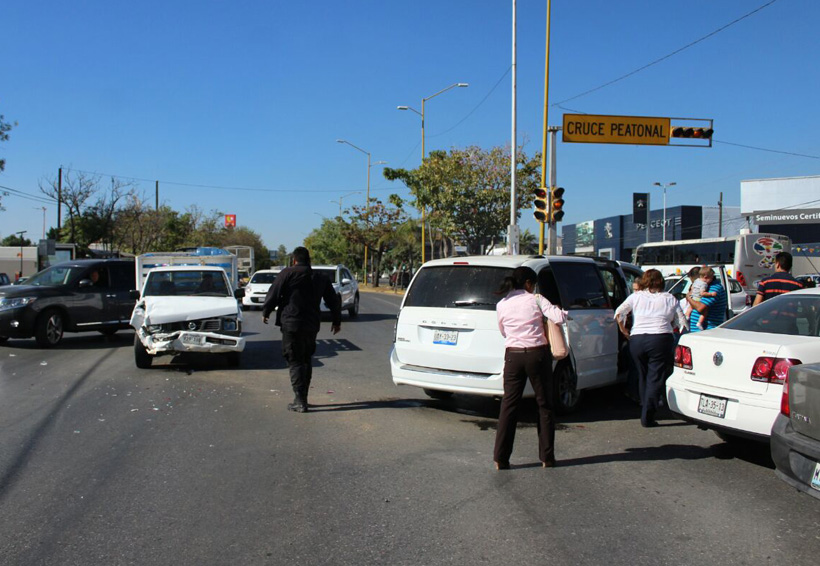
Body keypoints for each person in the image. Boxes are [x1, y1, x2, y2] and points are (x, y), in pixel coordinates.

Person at [493, 266, 567, 470]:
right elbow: (558, 317)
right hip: (537, 355)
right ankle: (547, 457)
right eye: (533, 284)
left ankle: (501, 458)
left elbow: (503, 331)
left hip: (513, 356)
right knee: (544, 405)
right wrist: (563, 311)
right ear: (528, 283)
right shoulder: (536, 299)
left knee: (509, 405)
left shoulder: (502, 304)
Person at [262, 247, 341, 413]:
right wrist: (336, 320)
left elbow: (274, 294)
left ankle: (300, 400)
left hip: (292, 324)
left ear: (294, 260)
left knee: (295, 359)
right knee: (306, 359)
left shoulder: (287, 273)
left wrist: (266, 311)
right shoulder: (320, 277)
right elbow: (333, 300)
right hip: (312, 325)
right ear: (309, 260)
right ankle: (303, 398)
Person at [615, 269, 687, 428]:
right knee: (655, 376)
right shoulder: (670, 298)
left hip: (637, 339)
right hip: (660, 339)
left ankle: (644, 404)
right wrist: (672, 326)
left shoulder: (636, 296)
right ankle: (648, 413)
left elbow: (619, 313)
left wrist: (624, 331)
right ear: (661, 281)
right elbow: (682, 323)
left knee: (642, 374)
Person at [685, 266, 728, 332]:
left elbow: (700, 308)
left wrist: (689, 297)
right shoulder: (706, 286)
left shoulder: (714, 288)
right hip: (698, 331)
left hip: (707, 331)